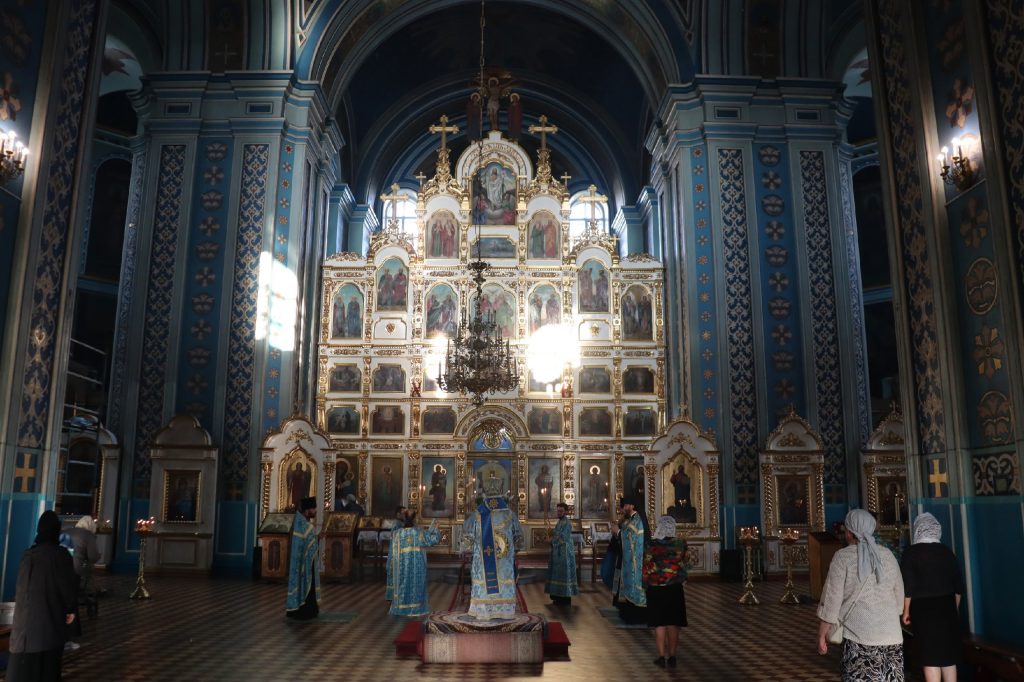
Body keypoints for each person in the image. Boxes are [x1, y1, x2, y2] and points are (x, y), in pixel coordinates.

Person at [816, 509, 904, 681]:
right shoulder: (887, 555)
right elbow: (899, 599)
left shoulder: (842, 557)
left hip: (858, 637)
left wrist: (821, 635)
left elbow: (832, 600)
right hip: (891, 637)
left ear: (849, 532)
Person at [7, 510, 78, 682]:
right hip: (49, 626)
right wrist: (70, 609)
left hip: (23, 628)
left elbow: (21, 590)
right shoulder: (61, 555)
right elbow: (67, 587)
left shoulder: (28, 555)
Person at [900, 513, 964, 682]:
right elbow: (958, 587)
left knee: (930, 657)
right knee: (948, 657)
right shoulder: (947, 552)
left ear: (918, 529)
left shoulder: (911, 553)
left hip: (923, 610)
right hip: (947, 608)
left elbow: (908, 587)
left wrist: (906, 611)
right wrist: (954, 609)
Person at [461, 494, 524, 619]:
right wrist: (513, 550)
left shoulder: (477, 515)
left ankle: (484, 611)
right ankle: (505, 612)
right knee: (503, 580)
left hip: (482, 562)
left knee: (483, 581)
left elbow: (467, 539)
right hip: (504, 561)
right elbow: (518, 539)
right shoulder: (510, 514)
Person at [644, 515, 688, 668]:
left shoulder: (651, 544)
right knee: (673, 623)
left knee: (659, 623)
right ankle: (673, 657)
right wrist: (680, 577)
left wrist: (646, 583)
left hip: (656, 588)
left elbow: (646, 566)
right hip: (674, 588)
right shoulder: (681, 544)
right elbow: (687, 564)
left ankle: (661, 656)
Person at [389, 512, 441, 616]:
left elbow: (392, 553)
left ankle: (401, 608)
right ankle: (416, 608)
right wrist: (435, 529)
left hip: (402, 567)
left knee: (403, 585)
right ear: (414, 520)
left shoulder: (397, 534)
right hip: (417, 566)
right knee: (416, 586)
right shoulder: (419, 532)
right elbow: (433, 540)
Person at [610, 496, 647, 624]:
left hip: (635, 561)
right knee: (626, 586)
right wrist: (617, 533)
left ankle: (636, 617)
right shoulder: (631, 520)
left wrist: (618, 532)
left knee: (634, 586)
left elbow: (631, 538)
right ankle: (626, 613)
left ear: (632, 506)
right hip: (628, 559)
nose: (624, 508)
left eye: (626, 505)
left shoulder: (637, 520)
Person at [286, 497, 320, 620]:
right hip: (306, 562)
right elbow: (310, 543)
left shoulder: (299, 522)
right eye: (313, 508)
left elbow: (307, 541)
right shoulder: (305, 525)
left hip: (300, 560)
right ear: (307, 510)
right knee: (307, 583)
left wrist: (317, 538)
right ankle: (306, 611)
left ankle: (297, 608)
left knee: (300, 583)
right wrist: (317, 539)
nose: (315, 511)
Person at [545, 502, 579, 605]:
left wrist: (551, 540)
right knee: (557, 574)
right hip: (558, 552)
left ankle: (564, 599)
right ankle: (557, 597)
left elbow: (563, 538)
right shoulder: (559, 522)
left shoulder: (567, 523)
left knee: (564, 575)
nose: (559, 513)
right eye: (558, 511)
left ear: (566, 512)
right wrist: (551, 533)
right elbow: (557, 534)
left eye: (561, 511)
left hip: (565, 554)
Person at [385, 506, 408, 602]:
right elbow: (396, 537)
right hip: (395, 550)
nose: (405, 515)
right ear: (398, 514)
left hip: (398, 550)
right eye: (403, 513)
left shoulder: (401, 523)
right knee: (394, 571)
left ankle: (396, 594)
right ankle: (393, 595)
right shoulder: (397, 523)